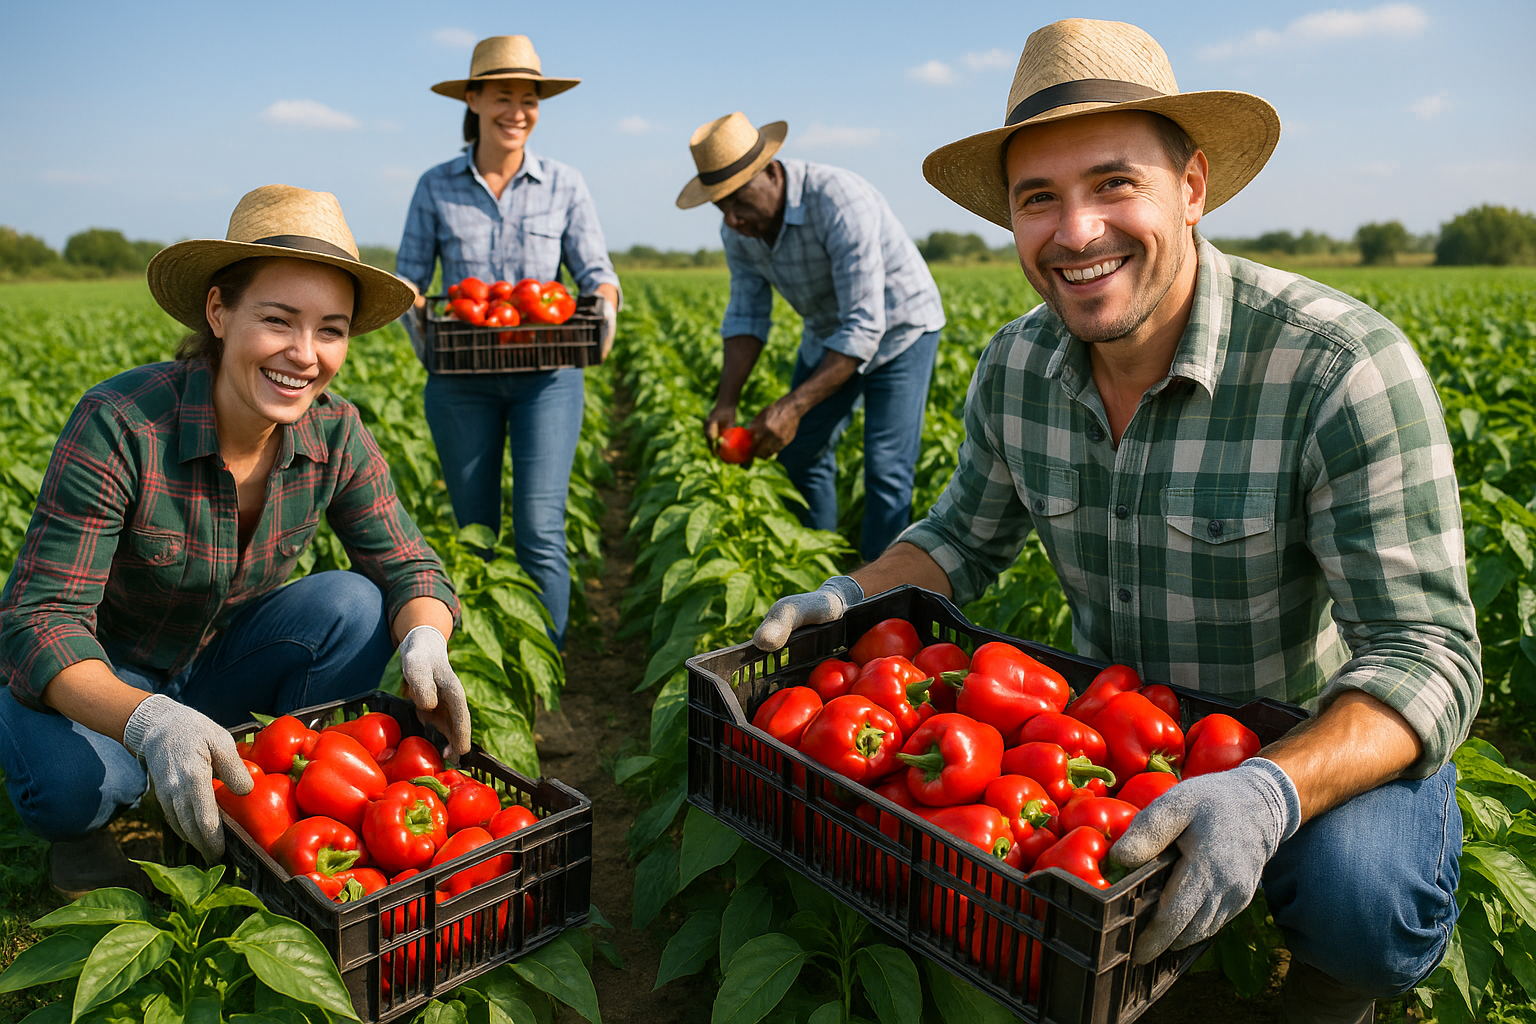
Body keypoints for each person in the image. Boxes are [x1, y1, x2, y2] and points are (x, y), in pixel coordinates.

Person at [750, 19, 1478, 1024]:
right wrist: (843, 595)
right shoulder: (1016, 367)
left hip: (1304, 735)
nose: (1077, 231)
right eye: (1038, 200)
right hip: (1113, 738)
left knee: (1367, 899)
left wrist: (1271, 789)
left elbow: (1427, 653)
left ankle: (1317, 994)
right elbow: (960, 539)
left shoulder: (1336, 369)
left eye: (1113, 184)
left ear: (1191, 188)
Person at [0, 185, 471, 893]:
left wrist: (427, 638)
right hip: (106, 669)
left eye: (331, 329)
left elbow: (407, 563)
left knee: (355, 601)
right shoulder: (123, 424)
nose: (304, 355)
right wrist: (151, 720)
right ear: (219, 312)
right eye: (277, 320)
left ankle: (259, 803)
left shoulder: (334, 433)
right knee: (78, 784)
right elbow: (40, 623)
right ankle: (86, 835)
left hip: (215, 660)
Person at [397, 34, 620, 651]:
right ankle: (480, 657)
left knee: (540, 529)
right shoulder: (436, 185)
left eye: (530, 98)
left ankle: (542, 662)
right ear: (473, 99)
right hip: (459, 382)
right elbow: (410, 282)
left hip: (547, 379)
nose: (517, 110)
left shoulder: (564, 184)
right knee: (474, 530)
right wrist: (426, 322)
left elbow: (596, 272)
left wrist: (604, 308)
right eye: (502, 96)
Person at [679, 113, 947, 562]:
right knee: (800, 452)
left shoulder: (840, 201)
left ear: (769, 171)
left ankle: (879, 598)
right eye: (719, 206)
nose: (731, 218)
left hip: (902, 331)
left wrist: (791, 405)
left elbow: (865, 325)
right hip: (829, 335)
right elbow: (747, 314)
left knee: (886, 471)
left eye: (737, 200)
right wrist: (726, 401)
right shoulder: (739, 231)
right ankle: (821, 572)